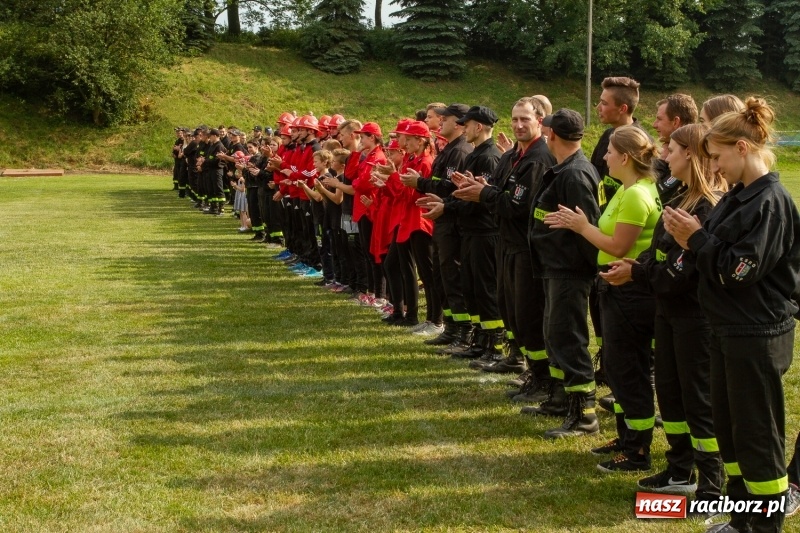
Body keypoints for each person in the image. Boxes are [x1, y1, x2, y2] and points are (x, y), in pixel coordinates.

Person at [663, 98, 800, 533]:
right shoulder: (738, 196)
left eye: (718, 156)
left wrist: (696, 239)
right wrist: (689, 241)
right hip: (727, 329)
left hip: (756, 333)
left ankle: (765, 526)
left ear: (742, 148)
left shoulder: (770, 202)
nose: (715, 167)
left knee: (757, 437)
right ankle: (742, 520)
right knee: (731, 434)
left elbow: (739, 270)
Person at [602, 124, 727, 499]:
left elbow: (682, 271)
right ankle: (679, 469)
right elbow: (659, 250)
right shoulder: (680, 195)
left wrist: (637, 273)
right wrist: (638, 265)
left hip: (693, 317)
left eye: (671, 149)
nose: (664, 156)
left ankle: (711, 481)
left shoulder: (706, 206)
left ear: (689, 153)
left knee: (697, 399)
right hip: (667, 311)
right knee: (671, 394)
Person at [547, 125, 661, 472]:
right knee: (619, 367)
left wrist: (582, 227)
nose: (605, 157)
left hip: (630, 293)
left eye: (610, 151)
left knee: (629, 369)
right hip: (616, 288)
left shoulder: (636, 194)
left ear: (625, 158)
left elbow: (619, 246)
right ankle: (626, 437)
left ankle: (638, 449)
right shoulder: (628, 190)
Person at [522, 108, 600, 438]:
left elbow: (588, 228)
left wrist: (586, 271)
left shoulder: (575, 174)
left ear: (551, 134)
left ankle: (584, 414)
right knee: (554, 336)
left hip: (569, 270)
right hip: (555, 268)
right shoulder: (564, 169)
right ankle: (559, 397)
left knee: (569, 339)